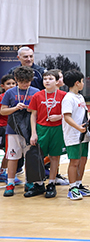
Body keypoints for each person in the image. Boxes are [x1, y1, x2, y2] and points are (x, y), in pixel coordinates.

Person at [29, 69, 66, 199]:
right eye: (45, 79)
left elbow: (69, 114)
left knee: (54, 157)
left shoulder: (64, 95)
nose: (47, 81)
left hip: (57, 129)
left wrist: (59, 116)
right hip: (42, 129)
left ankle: (51, 183)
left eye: (50, 79)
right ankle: (39, 184)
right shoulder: (37, 95)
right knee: (38, 157)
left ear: (57, 81)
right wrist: (33, 133)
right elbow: (33, 115)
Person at [1, 67, 38, 197]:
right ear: (16, 79)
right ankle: (10, 183)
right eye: (22, 82)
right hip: (13, 130)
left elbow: (38, 112)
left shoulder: (36, 92)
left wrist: (31, 109)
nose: (25, 84)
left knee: (30, 157)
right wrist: (15, 108)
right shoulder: (10, 92)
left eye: (27, 82)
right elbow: (2, 111)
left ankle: (29, 181)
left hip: (29, 129)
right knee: (12, 157)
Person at [61, 70, 90, 200]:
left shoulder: (80, 97)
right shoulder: (68, 98)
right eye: (82, 81)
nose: (83, 84)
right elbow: (67, 117)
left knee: (83, 160)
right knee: (74, 162)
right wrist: (78, 128)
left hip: (83, 134)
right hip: (73, 135)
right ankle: (72, 188)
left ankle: (78, 184)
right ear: (77, 83)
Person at [0, 74, 17, 186]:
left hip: (10, 127)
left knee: (9, 152)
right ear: (2, 86)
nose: (11, 86)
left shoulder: (17, 96)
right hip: (2, 127)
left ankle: (3, 172)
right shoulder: (2, 97)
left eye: (13, 83)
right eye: (8, 84)